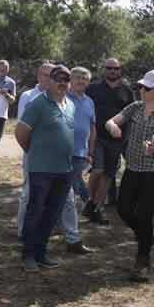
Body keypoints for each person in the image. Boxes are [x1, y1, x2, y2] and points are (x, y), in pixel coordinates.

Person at [104, 70, 154, 279]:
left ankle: (143, 261)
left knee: (146, 213)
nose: (141, 90)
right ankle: (145, 236)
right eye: (141, 87)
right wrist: (113, 127)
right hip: (134, 167)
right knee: (123, 208)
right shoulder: (135, 108)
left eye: (146, 88)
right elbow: (112, 121)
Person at [14, 64, 78, 272]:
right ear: (49, 81)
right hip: (41, 168)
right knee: (35, 211)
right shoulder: (38, 103)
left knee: (52, 213)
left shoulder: (71, 105)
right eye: (58, 78)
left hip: (64, 169)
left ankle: (41, 253)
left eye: (66, 79)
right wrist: (35, 152)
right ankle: (29, 255)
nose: (62, 82)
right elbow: (21, 132)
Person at [84, 57, 130, 224]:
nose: (112, 71)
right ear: (105, 69)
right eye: (109, 68)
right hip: (97, 136)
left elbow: (131, 114)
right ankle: (88, 201)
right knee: (97, 169)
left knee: (109, 175)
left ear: (120, 70)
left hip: (117, 140)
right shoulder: (93, 88)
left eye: (116, 68)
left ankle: (98, 208)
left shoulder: (126, 90)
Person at [60, 67, 96, 253]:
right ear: (71, 80)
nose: (81, 80)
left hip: (81, 153)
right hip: (61, 152)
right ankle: (71, 235)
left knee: (67, 191)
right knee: (67, 192)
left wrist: (91, 151)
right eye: (78, 77)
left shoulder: (90, 102)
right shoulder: (62, 98)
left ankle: (67, 231)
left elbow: (92, 127)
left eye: (85, 78)